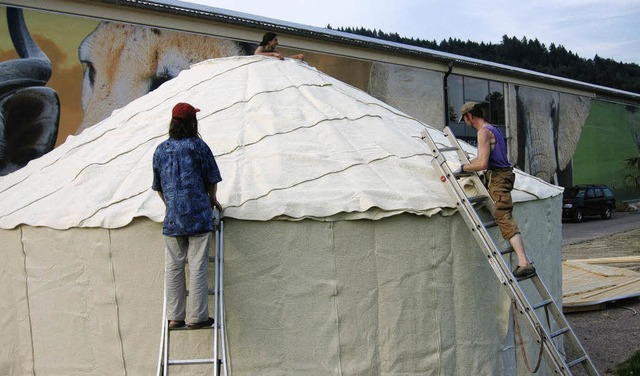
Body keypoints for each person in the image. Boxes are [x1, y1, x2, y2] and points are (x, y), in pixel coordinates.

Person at [152, 102, 223, 329]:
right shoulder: (198, 147)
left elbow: (159, 187)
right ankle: (197, 317)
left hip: (173, 220)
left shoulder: (160, 150)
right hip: (199, 217)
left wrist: (171, 205)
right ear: (193, 122)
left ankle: (174, 317)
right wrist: (212, 200)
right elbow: (211, 179)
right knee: (197, 267)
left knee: (174, 267)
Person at [456, 101, 536, 279]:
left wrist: (462, 168)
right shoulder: (493, 129)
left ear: (470, 116)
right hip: (501, 175)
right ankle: (523, 261)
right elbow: (482, 159)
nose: (466, 123)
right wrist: (471, 164)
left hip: (499, 177)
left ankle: (524, 263)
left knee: (503, 216)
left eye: (465, 119)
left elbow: (483, 163)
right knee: (503, 216)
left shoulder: (483, 132)